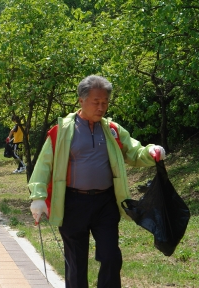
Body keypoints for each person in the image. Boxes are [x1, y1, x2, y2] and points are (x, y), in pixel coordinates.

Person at [28, 75, 166, 288]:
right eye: (96, 101)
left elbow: (134, 152)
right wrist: (38, 197)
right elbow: (44, 164)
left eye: (105, 102)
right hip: (72, 204)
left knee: (111, 256)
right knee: (75, 262)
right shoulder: (62, 130)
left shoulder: (112, 130)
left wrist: (151, 151)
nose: (101, 107)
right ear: (81, 100)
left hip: (105, 204)